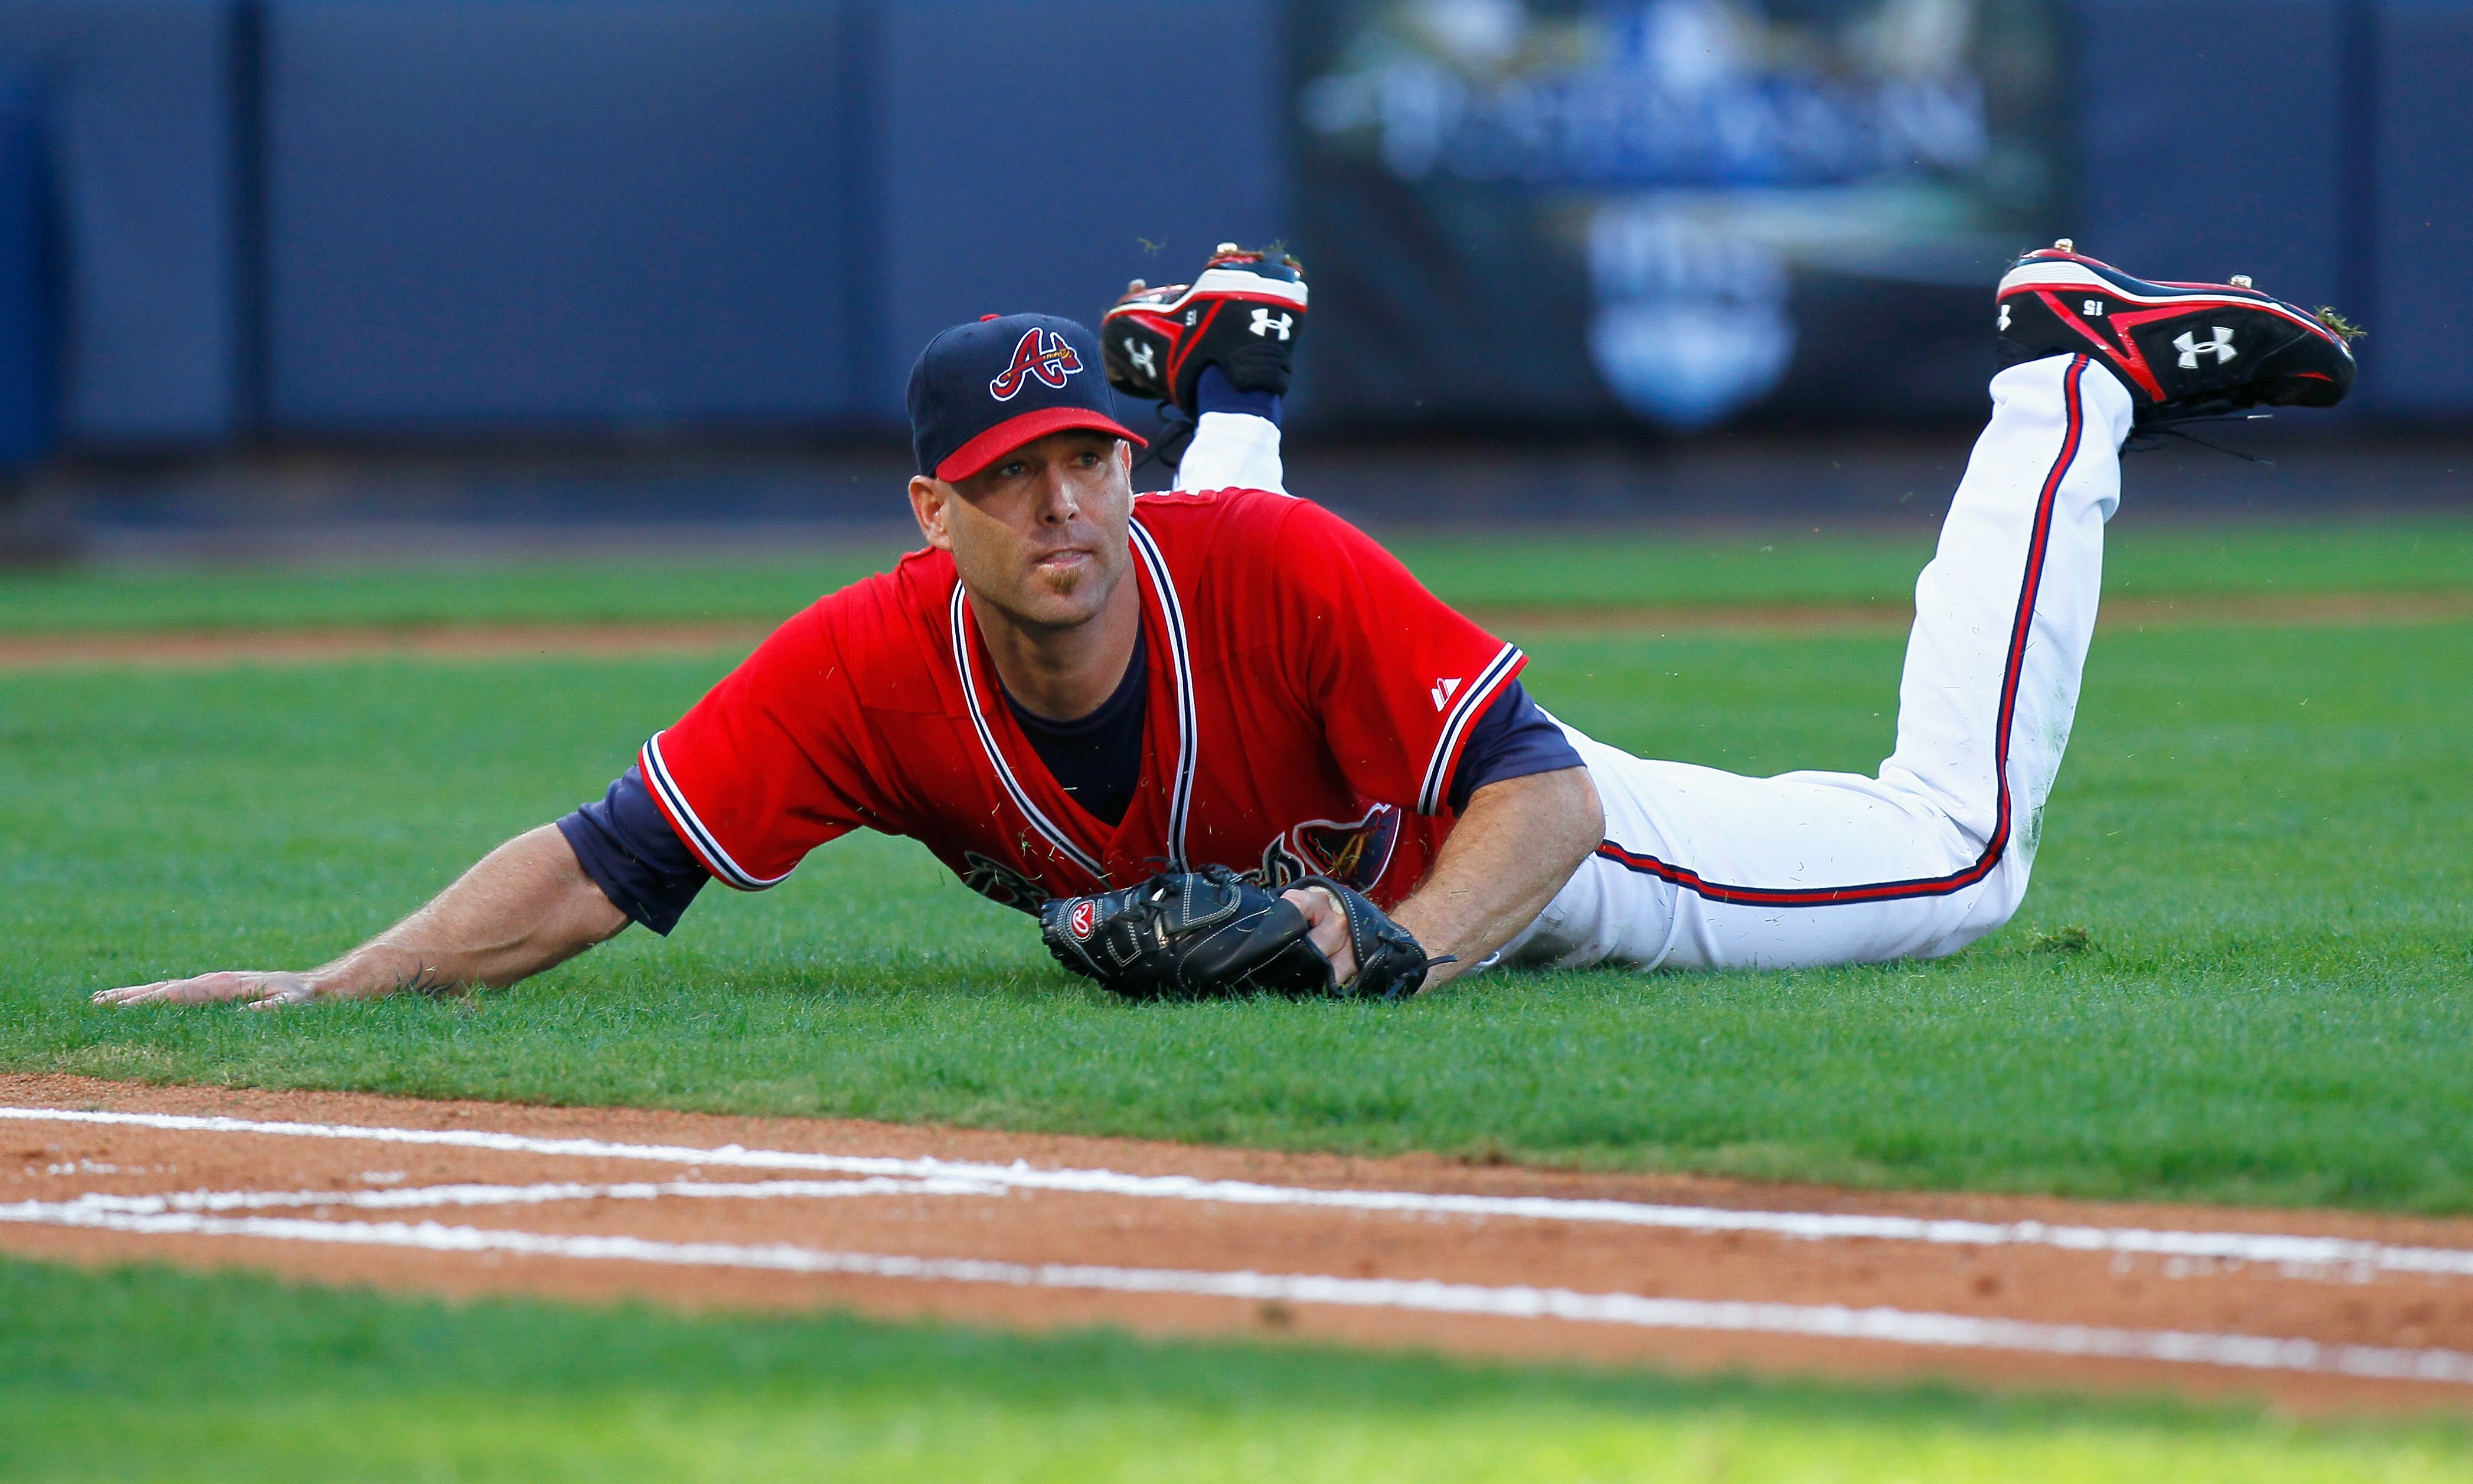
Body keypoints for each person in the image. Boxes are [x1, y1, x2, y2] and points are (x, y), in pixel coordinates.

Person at [96, 240, 2355, 1009]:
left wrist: (1402, 953)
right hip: (1315, 789)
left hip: (1527, 858)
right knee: (1199, 630)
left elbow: (1547, 803)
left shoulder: (1229, 557)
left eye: (1096, 448)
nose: (1065, 498)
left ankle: (2074, 373)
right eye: (1014, 479)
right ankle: (1234, 375)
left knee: (1957, 853)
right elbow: (607, 857)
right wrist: (331, 982)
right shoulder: (870, 664)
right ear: (933, 514)